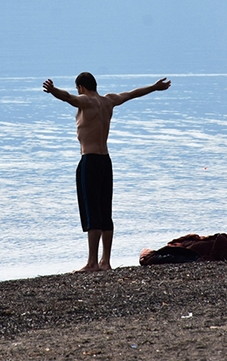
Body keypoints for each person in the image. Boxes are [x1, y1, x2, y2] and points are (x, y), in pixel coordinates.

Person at [43, 72, 171, 272]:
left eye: (78, 88)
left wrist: (53, 91)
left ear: (81, 87)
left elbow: (68, 98)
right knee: (105, 211)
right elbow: (132, 94)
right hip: (105, 161)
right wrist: (154, 87)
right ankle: (106, 262)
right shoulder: (108, 101)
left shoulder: (86, 101)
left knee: (92, 210)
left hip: (90, 161)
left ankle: (92, 263)